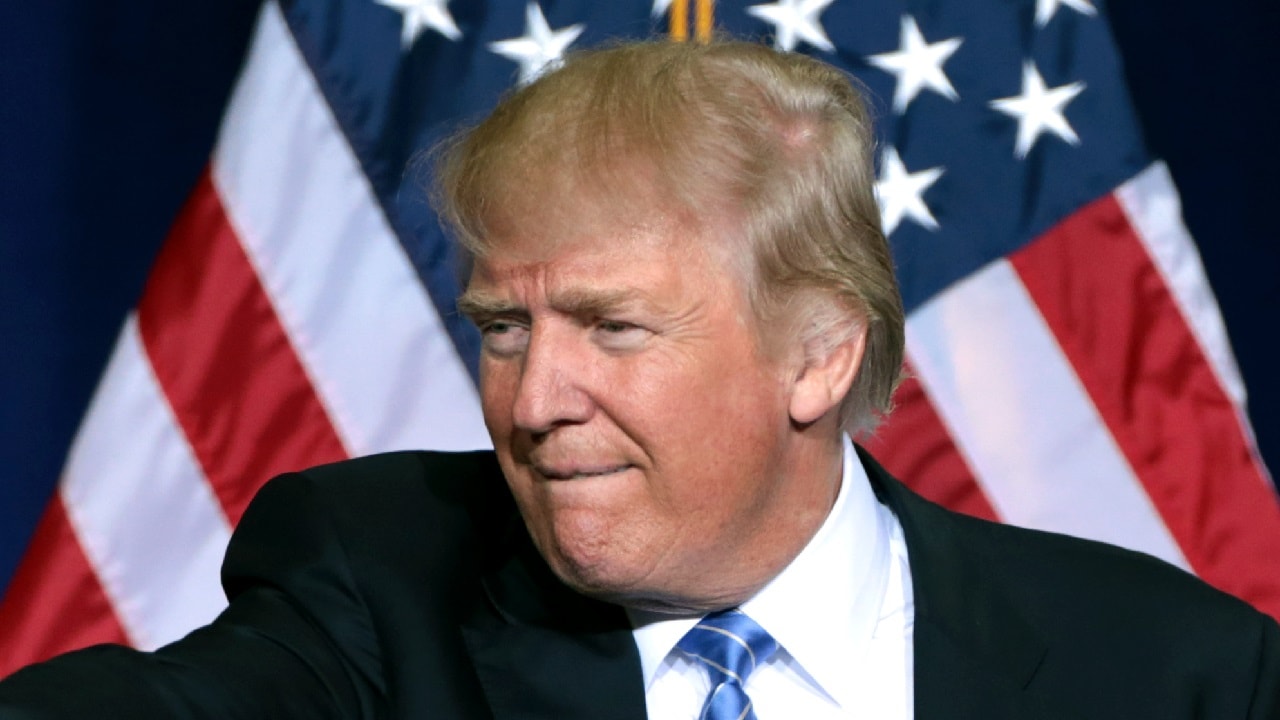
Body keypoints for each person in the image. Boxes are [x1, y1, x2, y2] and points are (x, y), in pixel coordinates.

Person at [1, 38, 1277, 720]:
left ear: (820, 353)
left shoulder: (1177, 673)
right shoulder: (381, 586)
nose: (532, 396)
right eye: (503, 327)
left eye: (611, 328)